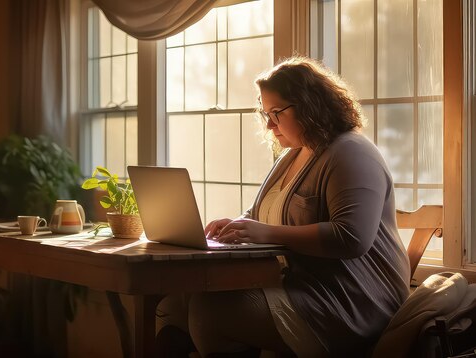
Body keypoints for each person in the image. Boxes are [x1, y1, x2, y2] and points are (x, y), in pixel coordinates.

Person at [155, 56, 411, 357]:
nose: (268, 124)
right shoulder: (293, 155)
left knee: (210, 311)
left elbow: (351, 238)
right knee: (174, 302)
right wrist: (236, 224)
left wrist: (265, 233)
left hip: (352, 302)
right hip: (299, 288)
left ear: (310, 104)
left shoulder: (351, 153)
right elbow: (259, 214)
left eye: (276, 112)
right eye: (265, 113)